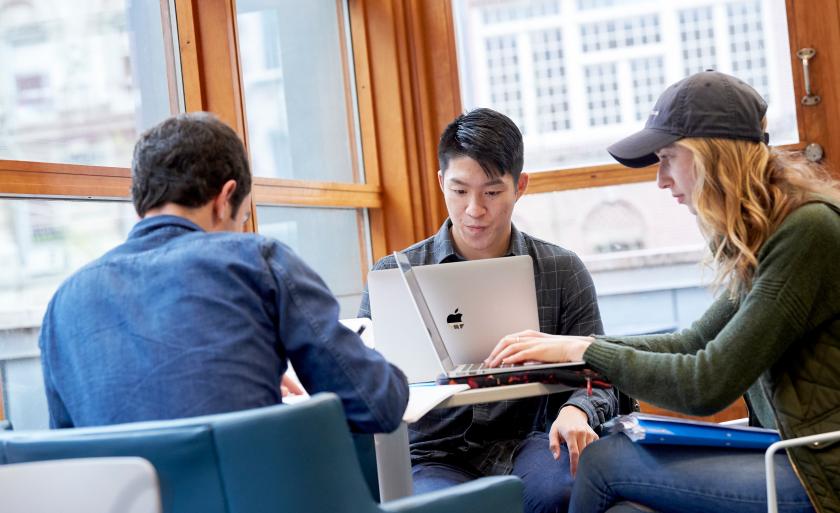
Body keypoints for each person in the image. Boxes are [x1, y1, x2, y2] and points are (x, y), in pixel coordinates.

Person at [487, 71, 840, 513]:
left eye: (668, 158)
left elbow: (706, 382)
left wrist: (584, 351)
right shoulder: (768, 235)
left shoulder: (806, 233)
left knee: (602, 462)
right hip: (791, 452)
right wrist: (574, 348)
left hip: (820, 472)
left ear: (713, 156)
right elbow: (692, 342)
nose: (661, 180)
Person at [39, 112, 409, 434]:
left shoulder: (63, 303)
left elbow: (72, 454)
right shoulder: (256, 261)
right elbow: (377, 404)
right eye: (243, 218)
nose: (242, 230)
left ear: (143, 202)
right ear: (224, 198)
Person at [358, 108, 617, 513]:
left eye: (492, 192)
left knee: (563, 491)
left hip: (532, 441)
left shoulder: (562, 270)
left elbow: (602, 372)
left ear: (521, 186)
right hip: (432, 453)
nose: (475, 209)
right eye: (460, 191)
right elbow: (367, 384)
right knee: (435, 507)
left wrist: (575, 410)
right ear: (441, 182)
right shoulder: (391, 277)